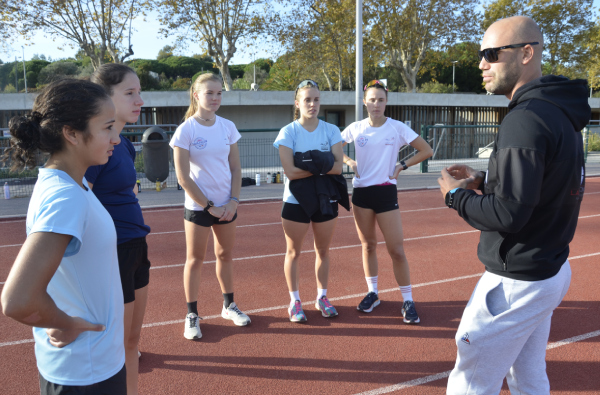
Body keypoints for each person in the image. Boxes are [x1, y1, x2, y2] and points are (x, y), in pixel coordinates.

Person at [438, 16, 589, 394]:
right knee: (527, 374)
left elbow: (510, 214)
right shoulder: (559, 112)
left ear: (526, 53)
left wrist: (455, 196)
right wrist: (486, 181)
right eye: (480, 54)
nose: (481, 64)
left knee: (469, 382)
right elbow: (543, 186)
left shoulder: (524, 119)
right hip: (548, 268)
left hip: (517, 279)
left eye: (491, 53)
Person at [1, 79, 125, 394]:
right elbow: (18, 300)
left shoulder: (71, 184)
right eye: (107, 128)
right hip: (85, 372)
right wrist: (64, 321)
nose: (117, 138)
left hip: (89, 365)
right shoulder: (64, 196)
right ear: (71, 133)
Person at [341, 80, 433, 324]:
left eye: (381, 100)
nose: (376, 104)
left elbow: (426, 150)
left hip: (385, 193)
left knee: (396, 250)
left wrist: (401, 165)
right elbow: (334, 148)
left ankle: (408, 300)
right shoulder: (356, 128)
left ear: (386, 102)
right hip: (361, 194)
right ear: (364, 102)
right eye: (372, 100)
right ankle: (373, 293)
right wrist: (349, 163)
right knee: (368, 245)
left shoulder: (397, 128)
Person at [86, 63, 150, 395]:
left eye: (139, 92)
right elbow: (80, 196)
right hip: (115, 252)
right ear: (107, 97)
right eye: (130, 93)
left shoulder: (123, 143)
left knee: (132, 342)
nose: (139, 100)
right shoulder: (97, 147)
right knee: (115, 347)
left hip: (137, 246)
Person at [171, 73, 249, 341]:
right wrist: (209, 206)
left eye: (219, 94)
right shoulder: (186, 130)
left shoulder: (228, 126)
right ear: (196, 95)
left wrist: (233, 201)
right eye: (210, 93)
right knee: (195, 260)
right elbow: (182, 176)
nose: (215, 98)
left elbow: (236, 168)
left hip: (227, 206)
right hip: (199, 207)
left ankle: (229, 306)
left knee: (225, 255)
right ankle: (191, 315)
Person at [273, 80, 350, 323]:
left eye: (316, 99)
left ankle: (322, 297)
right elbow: (291, 172)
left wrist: (308, 162)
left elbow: (338, 168)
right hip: (295, 201)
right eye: (307, 99)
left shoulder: (331, 130)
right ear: (297, 103)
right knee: (293, 252)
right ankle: (295, 301)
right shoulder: (288, 132)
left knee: (323, 251)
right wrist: (322, 163)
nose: (312, 104)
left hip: (325, 198)